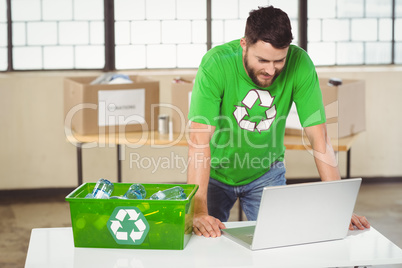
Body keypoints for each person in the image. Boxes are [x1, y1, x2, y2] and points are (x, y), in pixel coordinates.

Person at [187, 5, 370, 238]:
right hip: (214, 173)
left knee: (275, 245)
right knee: (204, 241)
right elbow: (199, 139)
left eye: (279, 61)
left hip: (266, 172)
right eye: (262, 60)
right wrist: (199, 210)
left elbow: (319, 137)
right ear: (244, 44)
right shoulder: (216, 64)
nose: (271, 70)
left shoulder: (300, 64)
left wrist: (339, 208)